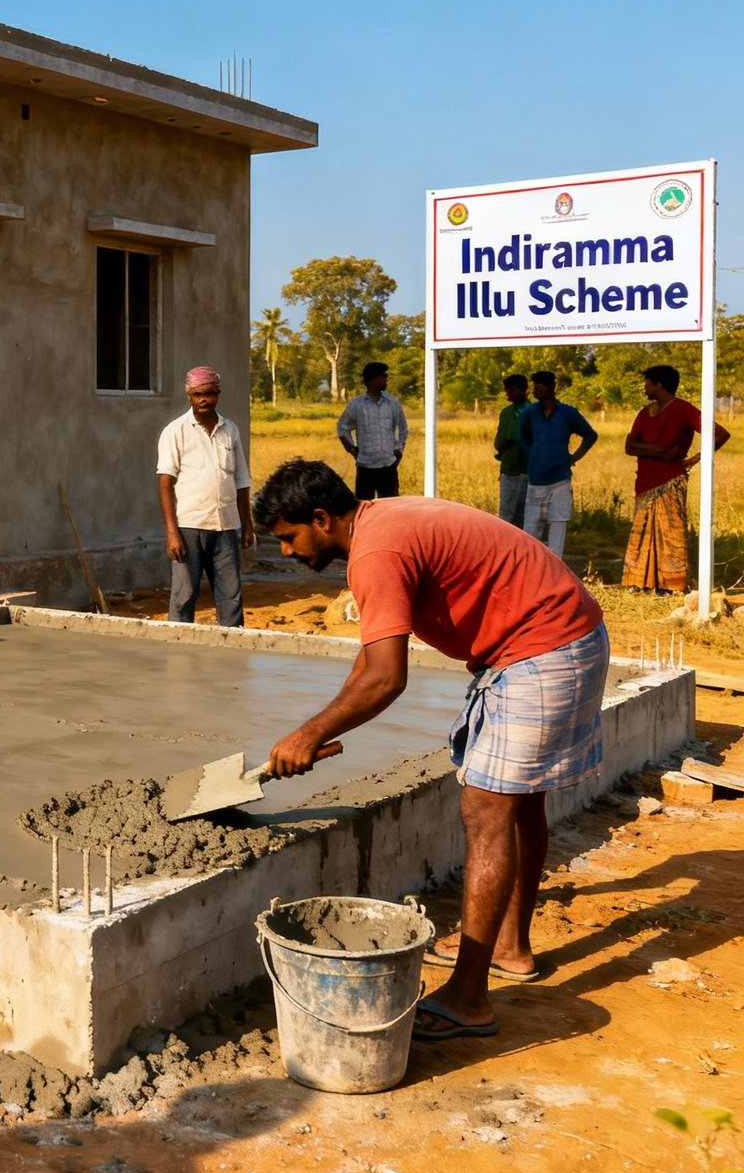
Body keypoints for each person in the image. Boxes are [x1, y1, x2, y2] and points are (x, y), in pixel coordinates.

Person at [252, 459, 609, 1042]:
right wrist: (315, 729)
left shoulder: (375, 555)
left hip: (540, 650)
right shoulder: (380, 525)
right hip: (560, 635)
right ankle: (511, 948)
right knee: (519, 804)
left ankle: (469, 999)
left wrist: (307, 734)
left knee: (487, 810)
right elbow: (370, 663)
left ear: (321, 518)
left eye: (290, 538)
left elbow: (388, 679)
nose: (288, 553)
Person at [156, 366, 255, 625]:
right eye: (198, 394)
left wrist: (247, 525)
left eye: (209, 393)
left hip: (226, 526)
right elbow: (165, 483)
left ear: (218, 394)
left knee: (231, 596)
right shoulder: (175, 431)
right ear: (189, 395)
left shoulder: (230, 430)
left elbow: (242, 481)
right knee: (184, 595)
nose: (204, 400)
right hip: (189, 526)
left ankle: (233, 654)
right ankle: (177, 654)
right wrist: (171, 532)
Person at [622, 364, 730, 593]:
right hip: (645, 481)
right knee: (642, 532)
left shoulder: (683, 410)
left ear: (658, 384)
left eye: (648, 382)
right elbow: (629, 446)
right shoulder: (644, 412)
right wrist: (659, 451)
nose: (645, 387)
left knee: (670, 533)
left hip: (670, 480)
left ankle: (670, 584)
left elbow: (720, 434)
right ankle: (641, 581)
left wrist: (694, 459)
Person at [517, 371, 597, 557]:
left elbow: (590, 435)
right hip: (536, 478)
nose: (536, 389)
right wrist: (533, 456)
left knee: (558, 525)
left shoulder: (568, 413)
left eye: (540, 385)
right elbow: (522, 437)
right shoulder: (529, 413)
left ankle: (556, 568)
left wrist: (574, 457)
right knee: (531, 528)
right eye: (534, 386)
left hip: (560, 478)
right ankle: (532, 567)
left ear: (552, 387)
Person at [336, 362, 408, 500]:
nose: (386, 378)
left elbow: (402, 429)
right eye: (383, 375)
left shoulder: (393, 403)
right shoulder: (357, 405)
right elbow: (342, 427)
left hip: (388, 467)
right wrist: (352, 449)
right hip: (365, 468)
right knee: (364, 508)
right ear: (373, 379)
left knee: (390, 507)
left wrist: (399, 451)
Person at [493, 374, 530, 528]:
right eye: (506, 389)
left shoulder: (534, 411)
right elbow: (498, 441)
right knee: (506, 515)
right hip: (508, 469)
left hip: (529, 469)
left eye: (512, 389)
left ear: (523, 390)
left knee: (525, 514)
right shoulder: (506, 413)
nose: (508, 393)